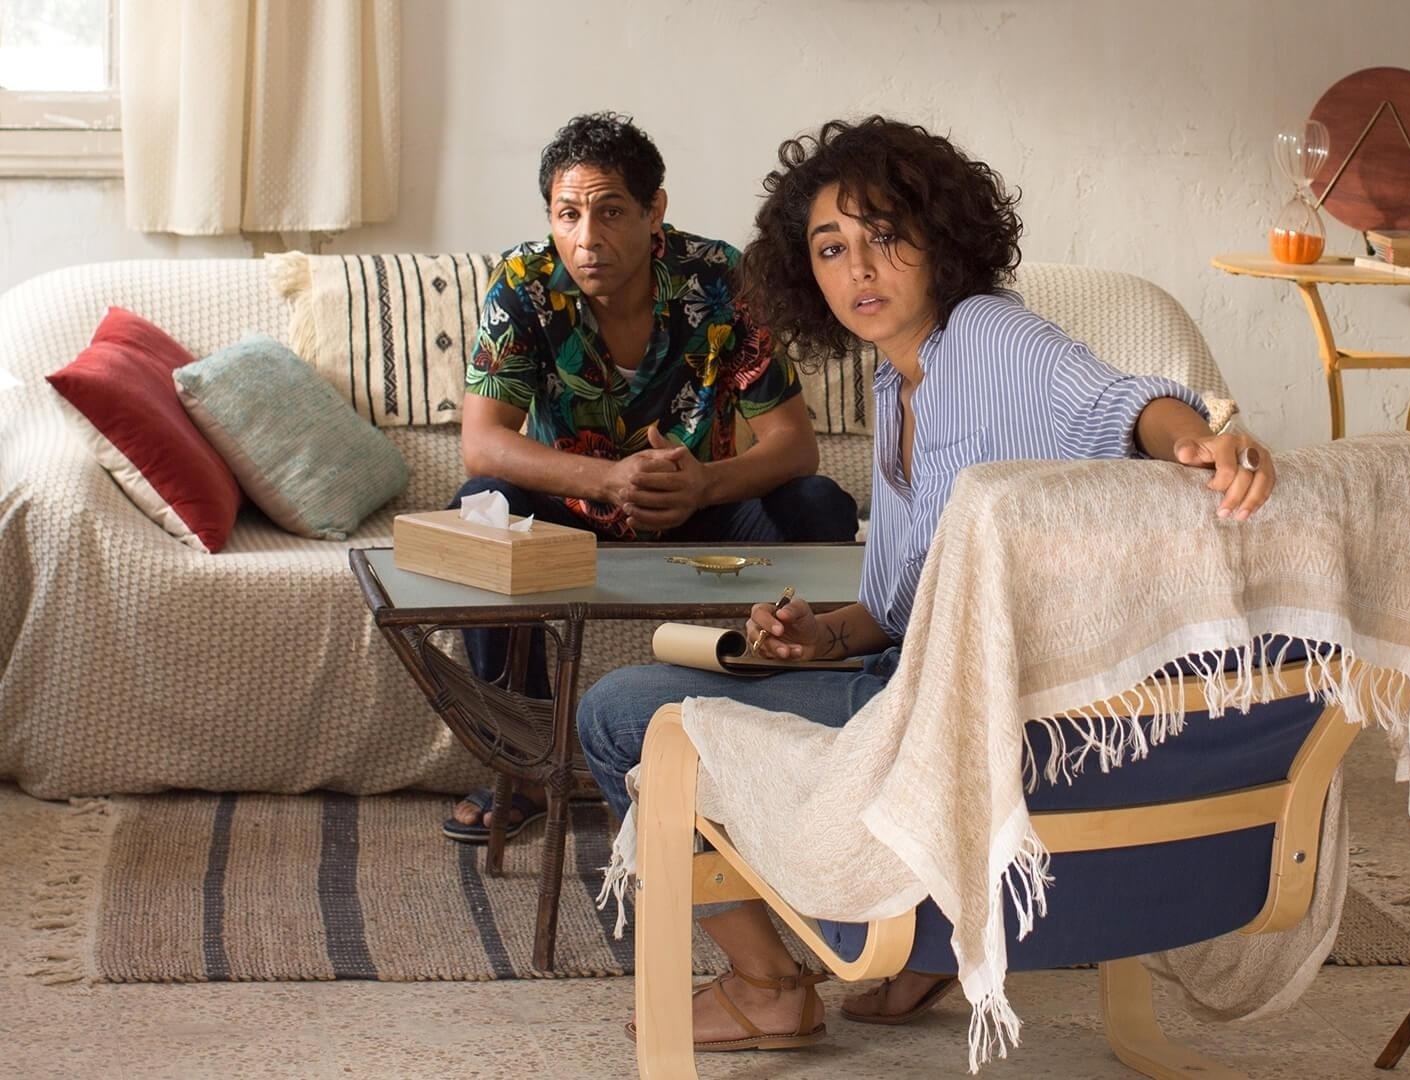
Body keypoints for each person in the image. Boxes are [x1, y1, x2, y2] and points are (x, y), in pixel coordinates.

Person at [578, 116, 1277, 1052]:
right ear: (807, 272)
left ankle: (769, 987)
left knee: (621, 713)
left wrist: (1193, 442)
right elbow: (897, 605)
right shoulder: (893, 383)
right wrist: (820, 636)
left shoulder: (988, 335)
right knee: (688, 691)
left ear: (941, 241)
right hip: (919, 684)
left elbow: (1114, 399)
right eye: (832, 248)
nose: (859, 269)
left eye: (885, 237)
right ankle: (922, 951)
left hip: (958, 713)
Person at [444, 112, 858, 842]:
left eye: (609, 213)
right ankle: (526, 766)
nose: (586, 238)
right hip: (568, 513)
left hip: (703, 505)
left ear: (654, 210)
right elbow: (483, 445)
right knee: (480, 508)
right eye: (567, 215)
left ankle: (798, 737)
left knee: (819, 505)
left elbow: (795, 447)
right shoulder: (524, 285)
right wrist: (604, 480)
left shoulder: (721, 279)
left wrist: (704, 484)